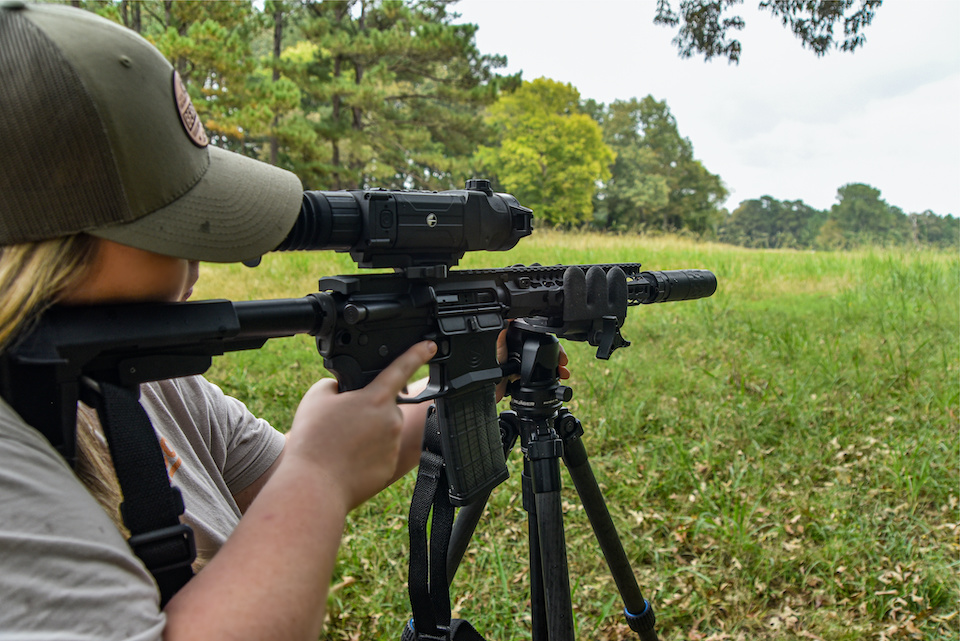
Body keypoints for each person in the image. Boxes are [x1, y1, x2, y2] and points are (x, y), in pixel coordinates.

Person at [0, 3, 438, 639]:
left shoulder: (139, 371)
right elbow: (308, 475)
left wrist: (477, 373)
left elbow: (275, 481)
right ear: (42, 251)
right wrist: (320, 475)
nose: (197, 266)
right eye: (171, 232)